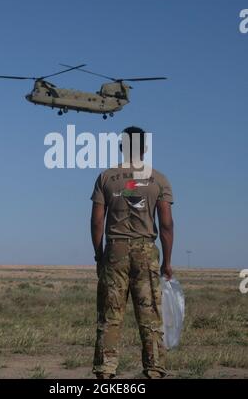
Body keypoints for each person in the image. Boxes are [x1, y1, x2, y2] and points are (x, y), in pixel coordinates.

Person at [91, 126, 174, 379]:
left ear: (121, 147)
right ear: (145, 149)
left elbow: (96, 221)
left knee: (110, 314)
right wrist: (167, 262)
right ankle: (154, 369)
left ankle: (105, 371)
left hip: (114, 249)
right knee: (149, 315)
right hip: (146, 251)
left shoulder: (106, 177)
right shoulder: (158, 179)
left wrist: (100, 255)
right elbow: (167, 223)